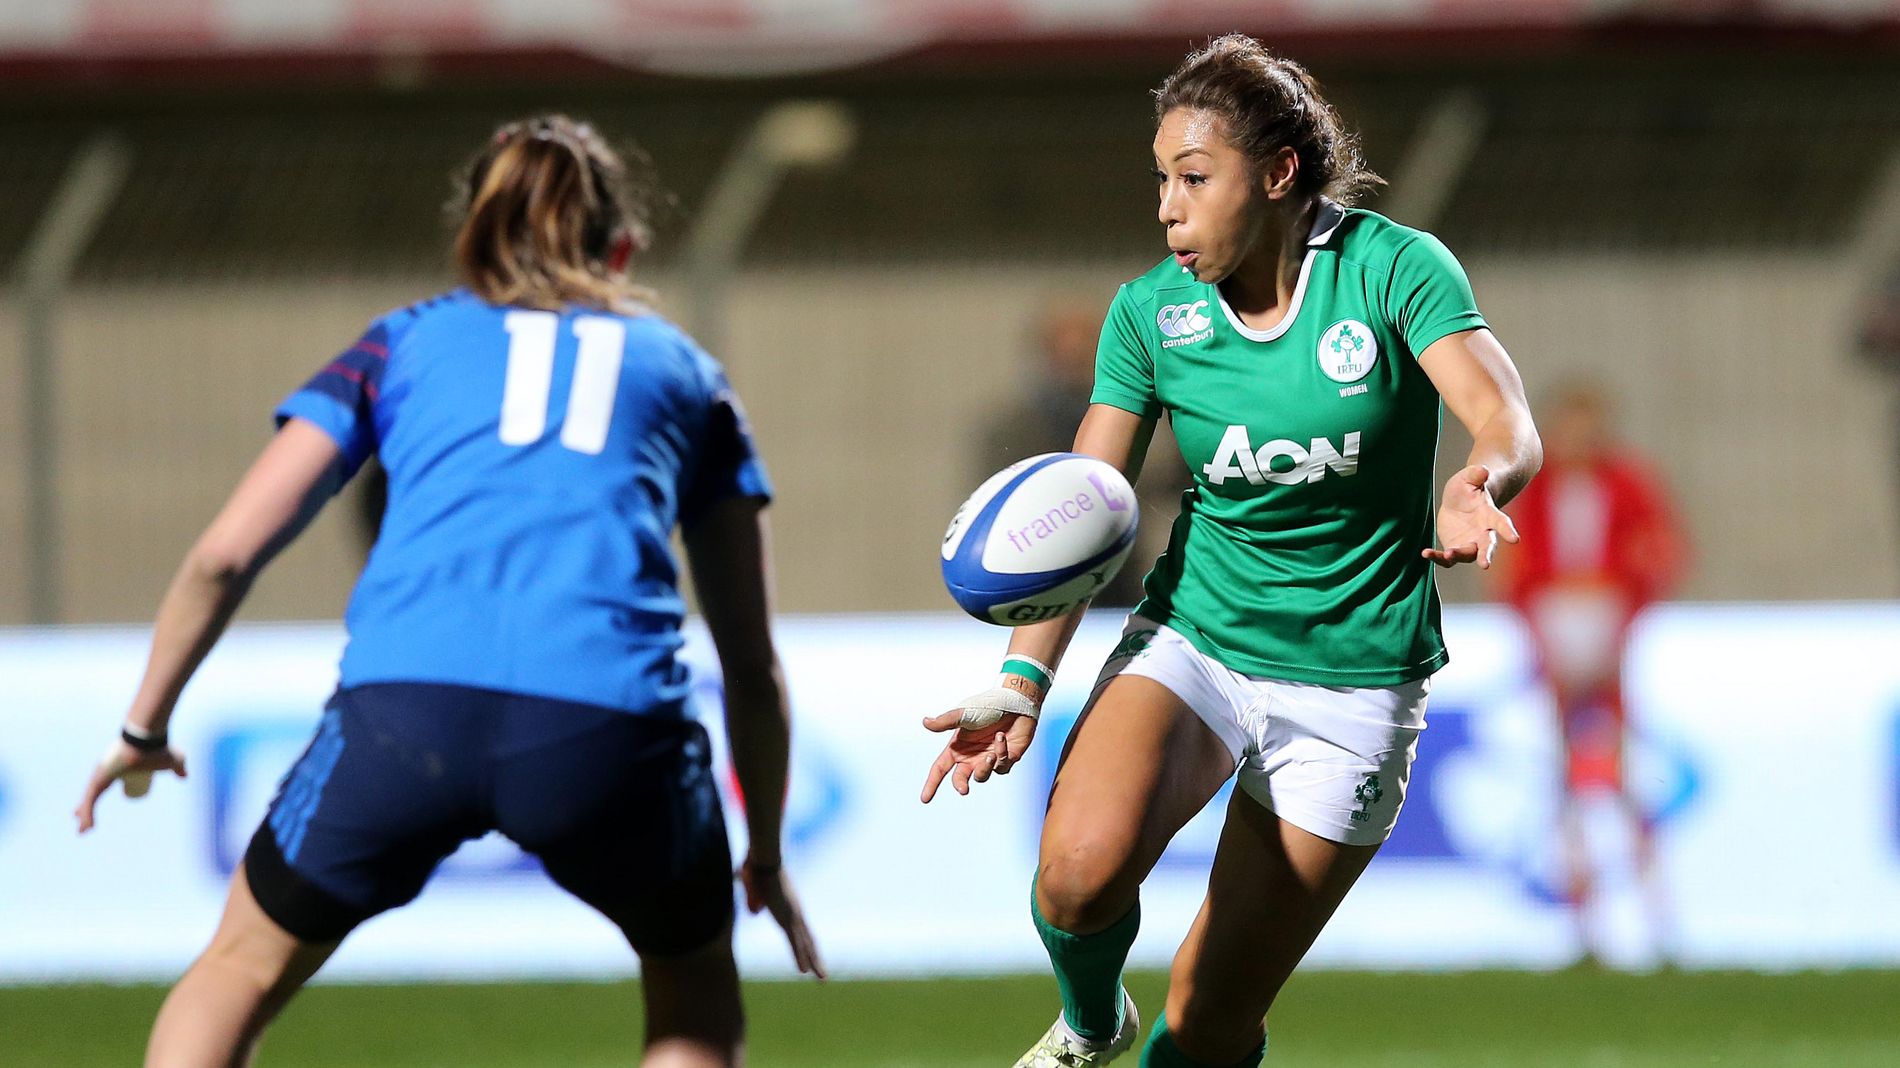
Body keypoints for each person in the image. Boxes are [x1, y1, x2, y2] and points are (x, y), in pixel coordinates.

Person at [74, 114, 823, 1068]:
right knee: (692, 995)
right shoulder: (689, 375)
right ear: (624, 249)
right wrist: (764, 856)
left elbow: (225, 556)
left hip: (404, 717)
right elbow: (750, 664)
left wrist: (143, 726)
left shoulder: (401, 343)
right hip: (609, 732)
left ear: (474, 235)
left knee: (238, 969)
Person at [920, 37, 1541, 1068]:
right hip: (1196, 640)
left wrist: (1479, 480)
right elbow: (1080, 507)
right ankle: (1089, 1023)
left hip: (1353, 681)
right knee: (1075, 876)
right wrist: (1020, 681)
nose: (1168, 207)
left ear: (1279, 172)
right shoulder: (1149, 314)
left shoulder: (1392, 269)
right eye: (1160, 179)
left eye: (1194, 178)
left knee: (1208, 1023)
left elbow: (1504, 417)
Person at [1495, 382, 1686, 966]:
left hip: (1604, 612)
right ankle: (1583, 918)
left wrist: (1629, 614)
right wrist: (1533, 629)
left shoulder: (1625, 481)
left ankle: (1656, 915)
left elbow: (1660, 549)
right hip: (1556, 615)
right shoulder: (1537, 487)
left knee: (1623, 774)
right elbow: (1513, 563)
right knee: (1562, 776)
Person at [979, 300, 1193, 607]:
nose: (1076, 354)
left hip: (1121, 575)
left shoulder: (1146, 416)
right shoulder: (1015, 429)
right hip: (1038, 575)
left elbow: (1170, 481)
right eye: (1066, 345)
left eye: (1085, 343)